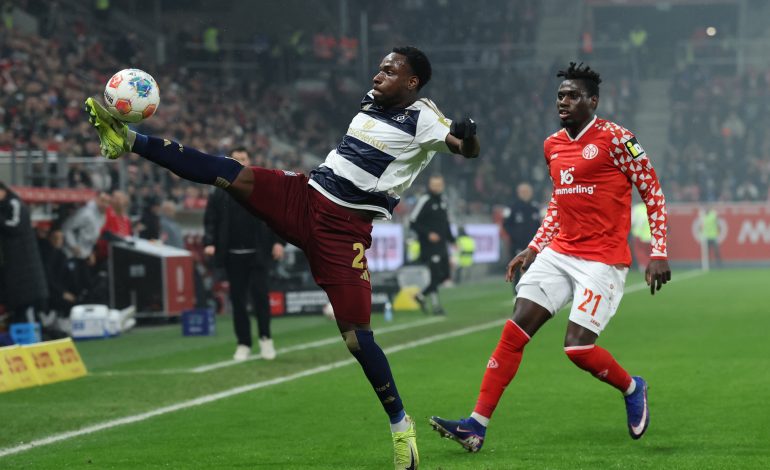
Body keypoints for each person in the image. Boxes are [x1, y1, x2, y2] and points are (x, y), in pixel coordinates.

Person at [84, 45, 480, 469]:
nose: (377, 76)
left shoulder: (423, 118)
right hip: (304, 195)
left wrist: (467, 134)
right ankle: (128, 139)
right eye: (379, 68)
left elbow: (465, 148)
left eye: (389, 70)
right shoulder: (371, 101)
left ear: (412, 81)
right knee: (230, 173)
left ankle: (401, 427)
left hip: (343, 232)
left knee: (356, 337)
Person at [430, 62, 670, 453]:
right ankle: (476, 426)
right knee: (515, 331)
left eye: (573, 95)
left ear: (593, 101)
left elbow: (653, 191)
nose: (564, 101)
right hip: (560, 253)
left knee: (577, 348)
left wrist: (659, 250)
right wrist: (535, 246)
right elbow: (559, 201)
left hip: (602, 259)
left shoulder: (618, 139)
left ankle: (632, 387)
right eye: (560, 95)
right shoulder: (552, 145)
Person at [203, 147, 286, 361]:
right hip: (232, 255)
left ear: (249, 161)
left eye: (243, 159)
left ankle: (266, 339)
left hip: (258, 254)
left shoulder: (261, 186)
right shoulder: (219, 190)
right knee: (238, 301)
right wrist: (210, 242)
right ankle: (243, 343)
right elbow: (211, 219)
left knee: (260, 298)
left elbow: (277, 216)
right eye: (236, 159)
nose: (240, 162)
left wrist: (279, 242)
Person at [0, 182, 49, 324]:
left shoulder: (14, 203)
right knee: (18, 308)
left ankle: (32, 330)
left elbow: (15, 226)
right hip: (12, 266)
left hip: (24, 265)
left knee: (27, 307)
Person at [409, 174, 455, 315]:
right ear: (430, 185)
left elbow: (446, 223)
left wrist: (452, 240)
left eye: (439, 185)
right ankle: (436, 307)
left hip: (442, 246)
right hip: (429, 246)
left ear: (442, 185)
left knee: (444, 275)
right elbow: (412, 222)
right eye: (434, 185)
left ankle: (421, 296)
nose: (436, 187)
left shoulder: (443, 201)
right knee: (435, 275)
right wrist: (428, 234)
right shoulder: (425, 200)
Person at [502, 182, 541, 287]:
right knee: (517, 269)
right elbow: (506, 225)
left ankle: (532, 291)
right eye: (523, 191)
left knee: (534, 269)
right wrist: (515, 237)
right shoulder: (512, 208)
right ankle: (516, 292)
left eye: (527, 191)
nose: (525, 194)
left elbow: (540, 225)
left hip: (533, 246)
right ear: (518, 193)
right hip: (517, 245)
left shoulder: (535, 207)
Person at [61, 191, 111, 260]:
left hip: (85, 255)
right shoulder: (85, 213)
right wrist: (73, 246)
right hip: (71, 255)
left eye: (108, 202)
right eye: (102, 200)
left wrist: (91, 253)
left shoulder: (103, 216)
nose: (105, 204)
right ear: (96, 199)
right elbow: (66, 227)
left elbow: (92, 235)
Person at [630, 200, 652, 272]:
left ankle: (644, 265)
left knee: (639, 252)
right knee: (649, 252)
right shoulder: (651, 207)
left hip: (639, 235)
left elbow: (632, 221)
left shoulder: (636, 209)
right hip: (652, 236)